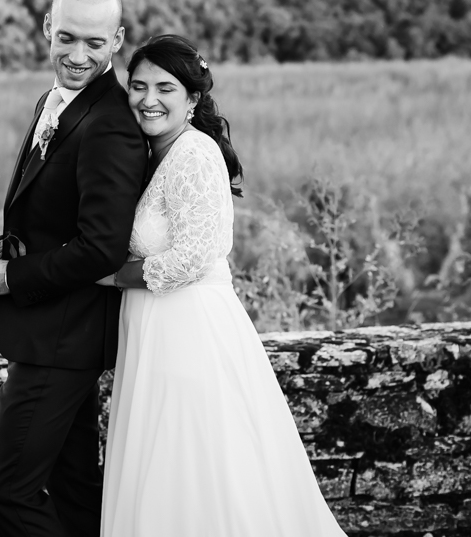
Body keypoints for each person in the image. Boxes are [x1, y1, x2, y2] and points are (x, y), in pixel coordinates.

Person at [94, 34, 348, 537]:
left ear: (192, 98)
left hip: (188, 330)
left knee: (193, 462)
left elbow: (194, 256)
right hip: (150, 328)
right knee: (158, 465)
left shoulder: (195, 153)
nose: (148, 99)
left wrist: (106, 273)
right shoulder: (151, 152)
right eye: (138, 86)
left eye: (165, 88)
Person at [0, 0, 148, 537]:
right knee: (75, 491)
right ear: (48, 27)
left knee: (8, 492)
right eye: (67, 37)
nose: (77, 55)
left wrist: (10, 276)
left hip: (63, 338)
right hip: (49, 331)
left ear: (116, 40)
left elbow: (102, 248)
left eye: (95, 43)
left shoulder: (111, 123)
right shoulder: (55, 101)